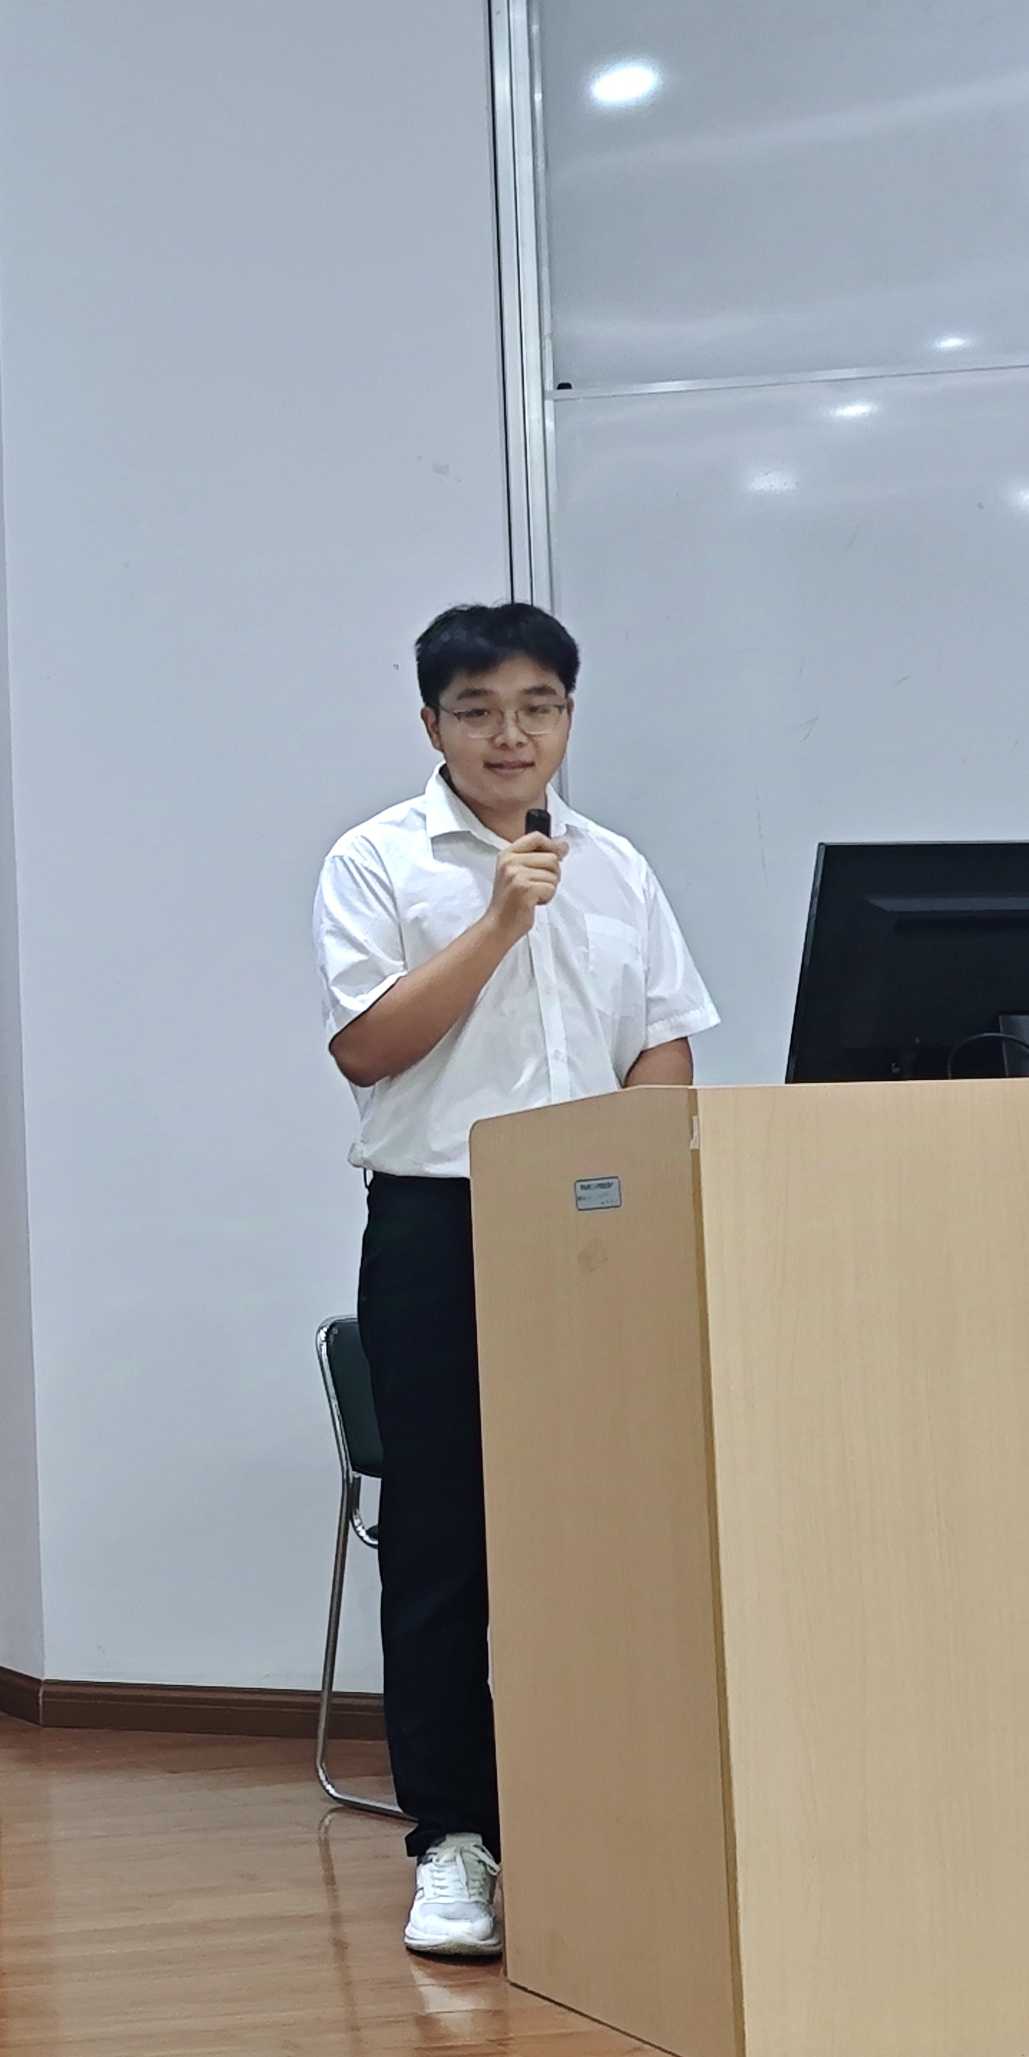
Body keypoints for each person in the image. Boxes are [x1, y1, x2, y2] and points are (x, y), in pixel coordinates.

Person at [312, 600, 715, 1963]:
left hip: (598, 1224)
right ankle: (452, 1842)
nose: (511, 736)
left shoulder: (619, 867)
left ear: (568, 718)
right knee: (445, 1542)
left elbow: (663, 1043)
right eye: (479, 711)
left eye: (539, 707)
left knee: (614, 1525)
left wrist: (637, 1181)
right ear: (433, 724)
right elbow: (367, 1048)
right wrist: (496, 921)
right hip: (443, 1226)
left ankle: (608, 1821)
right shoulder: (376, 862)